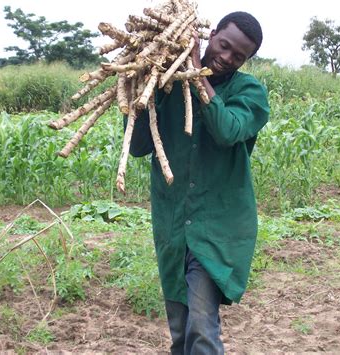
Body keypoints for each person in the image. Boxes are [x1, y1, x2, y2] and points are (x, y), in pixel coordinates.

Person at [128, 11, 270, 354]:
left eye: (239, 56)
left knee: (202, 329)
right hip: (173, 222)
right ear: (212, 33)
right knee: (180, 333)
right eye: (223, 46)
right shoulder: (168, 84)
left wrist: (195, 69)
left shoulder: (250, 92)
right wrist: (140, 87)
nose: (226, 58)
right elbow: (137, 147)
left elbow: (227, 130)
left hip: (218, 228)